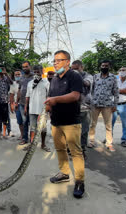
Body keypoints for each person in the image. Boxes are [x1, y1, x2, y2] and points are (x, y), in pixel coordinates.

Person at [45, 50, 85, 198]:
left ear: (67, 62)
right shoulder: (54, 78)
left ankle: (80, 181)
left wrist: (56, 100)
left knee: (75, 152)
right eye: (54, 61)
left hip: (71, 121)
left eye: (59, 60)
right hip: (56, 121)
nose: (55, 63)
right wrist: (48, 106)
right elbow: (51, 96)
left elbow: (75, 95)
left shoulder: (75, 76)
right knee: (60, 149)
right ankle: (64, 173)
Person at [89, 60, 119, 152]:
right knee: (92, 124)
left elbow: (116, 91)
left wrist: (115, 104)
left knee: (108, 125)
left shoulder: (113, 78)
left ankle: (109, 143)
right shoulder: (96, 77)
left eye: (106, 66)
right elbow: (92, 90)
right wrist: (91, 101)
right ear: (100, 66)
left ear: (109, 67)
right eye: (102, 65)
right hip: (95, 104)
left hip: (107, 105)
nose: (104, 67)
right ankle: (91, 141)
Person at [25, 65, 50, 152]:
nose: (36, 73)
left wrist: (46, 109)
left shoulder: (46, 83)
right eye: (34, 72)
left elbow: (48, 97)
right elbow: (27, 96)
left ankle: (43, 144)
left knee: (43, 129)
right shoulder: (30, 83)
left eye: (38, 72)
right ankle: (32, 144)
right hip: (32, 109)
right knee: (32, 128)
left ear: (42, 71)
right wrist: (25, 107)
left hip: (42, 110)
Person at [71, 60, 93, 155]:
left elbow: (86, 83)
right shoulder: (70, 76)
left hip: (85, 107)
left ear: (81, 67)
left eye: (76, 69)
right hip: (72, 107)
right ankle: (72, 149)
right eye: (73, 69)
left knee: (83, 130)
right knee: (72, 130)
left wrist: (76, 76)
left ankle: (82, 149)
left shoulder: (88, 76)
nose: (74, 71)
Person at [112, 67, 126, 147]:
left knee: (125, 124)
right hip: (114, 104)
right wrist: (123, 90)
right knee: (110, 123)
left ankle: (124, 140)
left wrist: (118, 90)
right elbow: (112, 91)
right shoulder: (115, 80)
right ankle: (109, 138)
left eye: (124, 70)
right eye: (121, 70)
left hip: (124, 105)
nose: (122, 72)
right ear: (119, 72)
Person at [0, 66, 12, 140]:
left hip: (5, 102)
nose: (0, 71)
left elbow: (11, 82)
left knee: (5, 119)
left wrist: (6, 73)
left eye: (2, 69)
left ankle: (4, 134)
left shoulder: (6, 78)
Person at [17, 61, 33, 145]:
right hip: (22, 103)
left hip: (32, 103)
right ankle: (25, 138)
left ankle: (33, 140)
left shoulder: (34, 77)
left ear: (30, 66)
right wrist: (17, 102)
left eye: (26, 66)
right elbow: (19, 90)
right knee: (24, 122)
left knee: (33, 123)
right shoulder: (21, 77)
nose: (25, 68)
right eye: (23, 67)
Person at [10, 69, 23, 140]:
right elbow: (11, 95)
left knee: (26, 121)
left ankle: (26, 136)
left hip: (25, 104)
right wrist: (12, 104)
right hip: (17, 105)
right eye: (16, 75)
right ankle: (22, 135)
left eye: (19, 74)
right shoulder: (13, 84)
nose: (17, 76)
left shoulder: (25, 83)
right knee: (20, 121)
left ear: (21, 75)